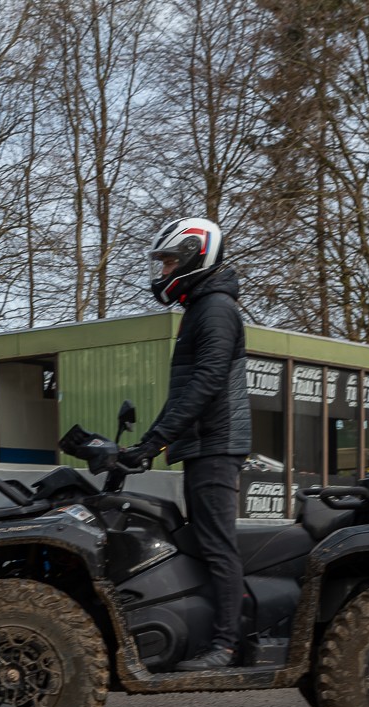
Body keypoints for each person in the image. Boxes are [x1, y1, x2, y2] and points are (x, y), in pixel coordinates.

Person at [122, 216, 250, 671]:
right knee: (202, 541)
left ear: (196, 257)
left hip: (216, 444)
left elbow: (207, 382)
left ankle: (227, 646)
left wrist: (157, 440)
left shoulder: (215, 308)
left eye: (170, 261)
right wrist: (146, 445)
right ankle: (211, 634)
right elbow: (182, 395)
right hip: (204, 445)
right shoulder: (201, 307)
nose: (163, 271)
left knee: (217, 545)